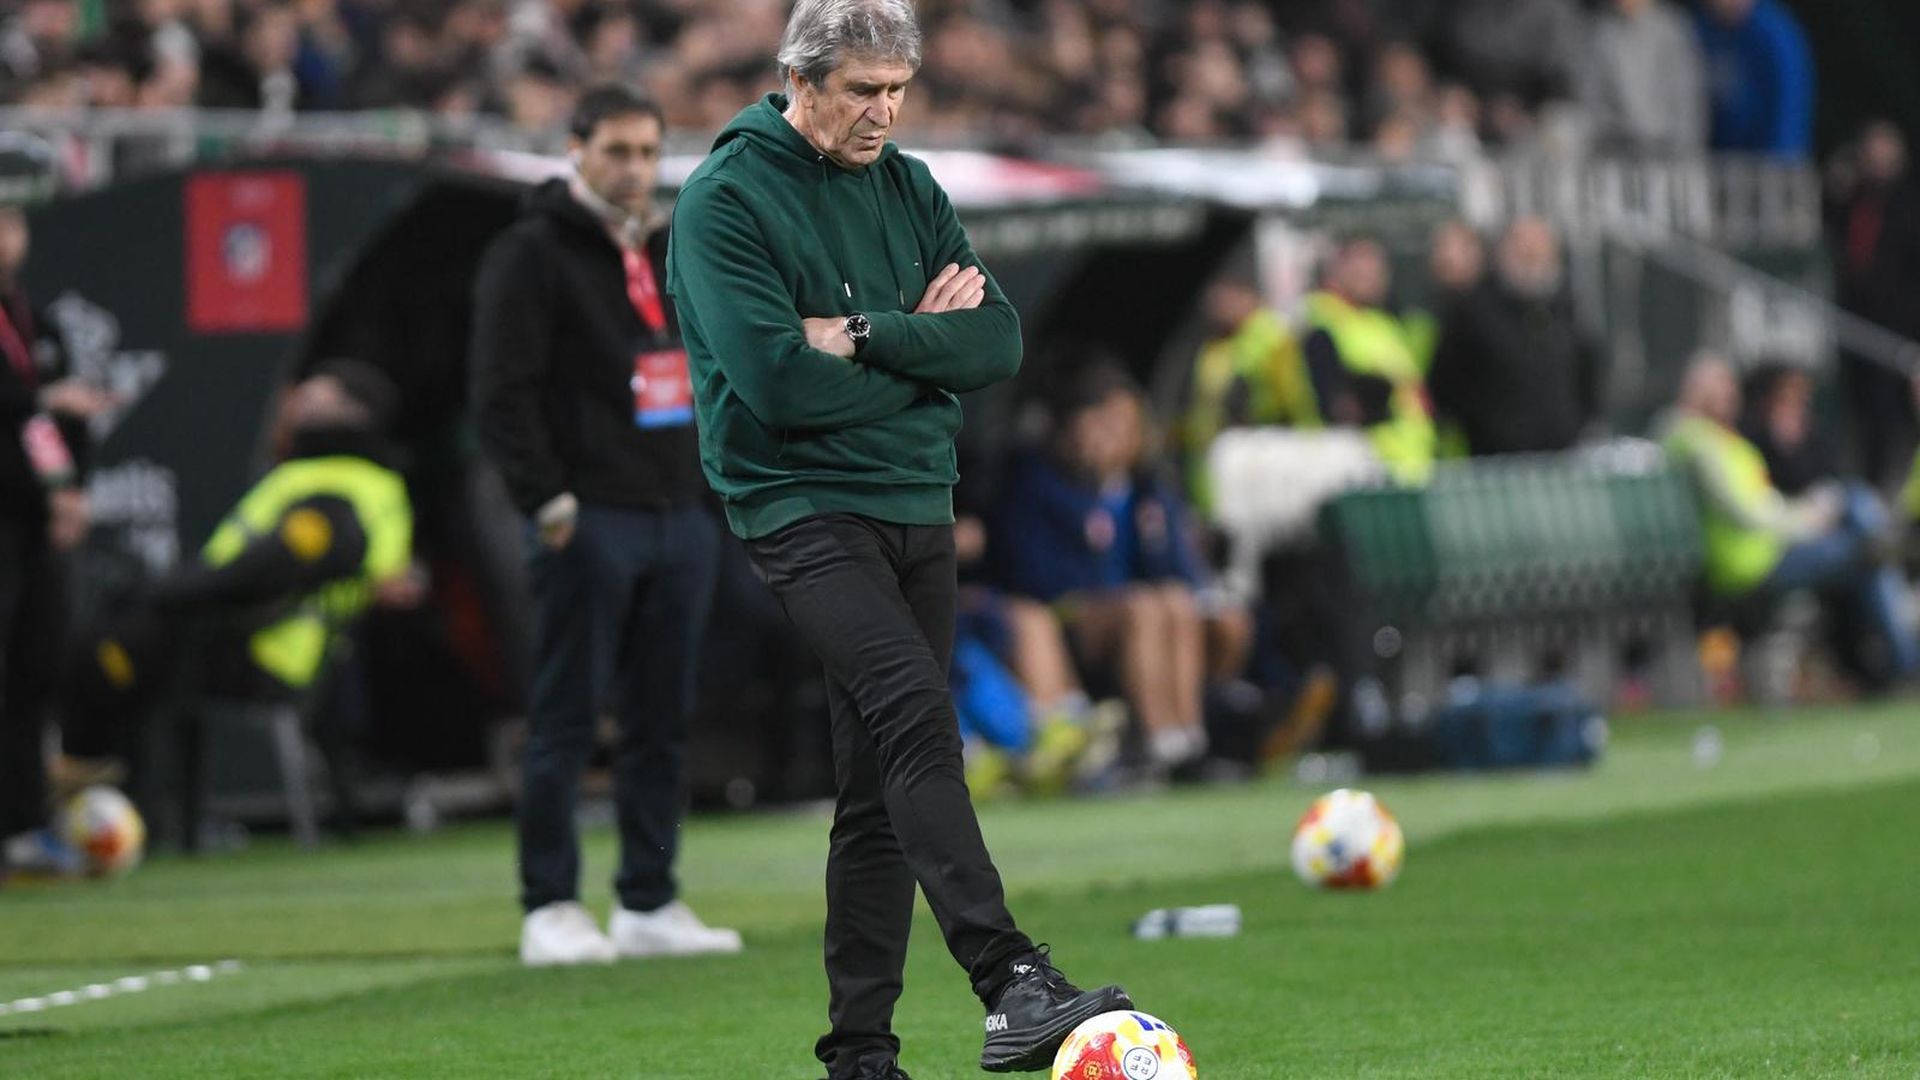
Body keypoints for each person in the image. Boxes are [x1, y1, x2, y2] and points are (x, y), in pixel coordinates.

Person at [665, 2, 1131, 1076]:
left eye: (898, 91)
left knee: (876, 789)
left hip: (919, 501)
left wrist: (869, 337)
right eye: (864, 89)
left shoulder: (909, 184)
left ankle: (859, 1056)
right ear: (800, 77)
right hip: (800, 505)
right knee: (919, 711)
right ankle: (1010, 975)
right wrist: (925, 363)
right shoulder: (725, 200)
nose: (885, 112)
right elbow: (777, 384)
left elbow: (999, 341)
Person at [470, 83, 737, 967]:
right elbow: (500, 394)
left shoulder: (665, 247)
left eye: (647, 152)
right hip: (590, 518)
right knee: (567, 716)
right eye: (616, 151)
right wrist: (548, 503)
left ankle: (648, 900)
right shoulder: (529, 254)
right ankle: (548, 904)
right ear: (575, 147)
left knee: (663, 717)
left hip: (675, 514)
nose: (634, 169)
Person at [19, 361, 414, 870]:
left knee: (121, 646)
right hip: (250, 639)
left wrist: (162, 591)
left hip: (264, 650)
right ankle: (103, 799)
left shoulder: (341, 486)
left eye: (316, 401)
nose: (298, 409)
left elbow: (263, 571)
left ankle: (108, 800)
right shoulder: (326, 475)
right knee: (117, 639)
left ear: (355, 414)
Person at [991, 364, 1253, 778]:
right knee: (1144, 606)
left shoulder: (1145, 488)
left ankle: (1187, 739)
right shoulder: (1037, 483)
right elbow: (1033, 575)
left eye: (1123, 425)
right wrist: (1091, 500)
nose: (1112, 437)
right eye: (1102, 424)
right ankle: (1156, 740)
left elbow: (1176, 571)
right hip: (1068, 615)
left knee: (1174, 600)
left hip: (1141, 607)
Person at [1661, 353, 1916, 685]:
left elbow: (1768, 499)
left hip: (1762, 551)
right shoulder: (1699, 442)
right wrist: (1808, 519)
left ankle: (1882, 663)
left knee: (1858, 527)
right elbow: (1752, 514)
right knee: (1867, 553)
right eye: (1720, 388)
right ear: (1697, 392)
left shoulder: (1713, 438)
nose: (1729, 395)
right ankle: (1903, 665)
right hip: (1751, 563)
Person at [0, 196, 112, 872]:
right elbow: (30, 407)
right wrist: (40, 401)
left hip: (32, 523)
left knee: (33, 670)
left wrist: (67, 491)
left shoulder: (36, 323)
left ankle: (19, 827)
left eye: (12, 225)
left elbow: (54, 427)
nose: (6, 240)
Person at [1429, 216, 1596, 456]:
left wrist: (1576, 427)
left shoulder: (1566, 309)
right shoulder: (1473, 310)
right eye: (1522, 246)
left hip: (1561, 456)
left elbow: (1587, 374)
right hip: (1495, 460)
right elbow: (1446, 383)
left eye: (1538, 247)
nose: (1530, 253)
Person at [1825, 121, 1920, 491]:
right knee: (1859, 405)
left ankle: (1882, 480)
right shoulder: (1854, 199)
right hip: (1855, 320)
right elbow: (1829, 211)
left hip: (1896, 324)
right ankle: (1866, 479)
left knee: (1889, 409)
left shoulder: (1908, 204)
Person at [1301, 236, 1436, 484]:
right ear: (1337, 270)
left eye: (1377, 269)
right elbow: (1336, 405)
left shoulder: (1381, 324)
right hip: (1362, 472)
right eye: (1361, 269)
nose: (1373, 277)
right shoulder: (1322, 323)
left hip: (1407, 469)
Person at [1693, 0, 1814, 158]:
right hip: (1716, 164)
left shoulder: (1776, 37)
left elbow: (1786, 129)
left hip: (1768, 167)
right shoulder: (1700, 29)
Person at [1585, 0, 1707, 153]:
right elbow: (1592, 101)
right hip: (1620, 149)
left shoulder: (1673, 30)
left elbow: (1688, 99)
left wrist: (1687, 152)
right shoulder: (1602, 34)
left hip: (1668, 150)